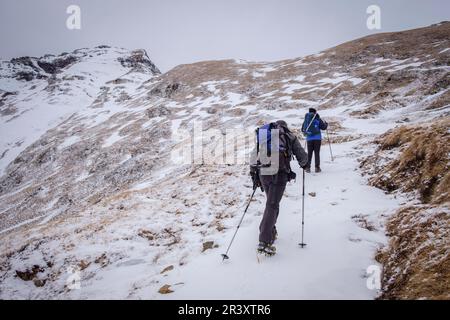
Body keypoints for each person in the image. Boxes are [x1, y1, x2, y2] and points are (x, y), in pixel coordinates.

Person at [250, 120, 308, 255]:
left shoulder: (265, 135)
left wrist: (254, 174)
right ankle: (264, 240)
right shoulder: (288, 135)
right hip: (279, 173)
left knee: (272, 203)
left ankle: (270, 231)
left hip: (263, 173)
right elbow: (301, 155)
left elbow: (254, 154)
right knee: (273, 204)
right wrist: (305, 164)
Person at [301, 108, 328, 173]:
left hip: (309, 139)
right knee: (317, 153)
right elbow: (323, 127)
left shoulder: (306, 119)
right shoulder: (317, 118)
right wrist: (326, 124)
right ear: (315, 112)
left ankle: (308, 168)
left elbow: (302, 129)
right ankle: (317, 168)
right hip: (317, 138)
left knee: (309, 153)